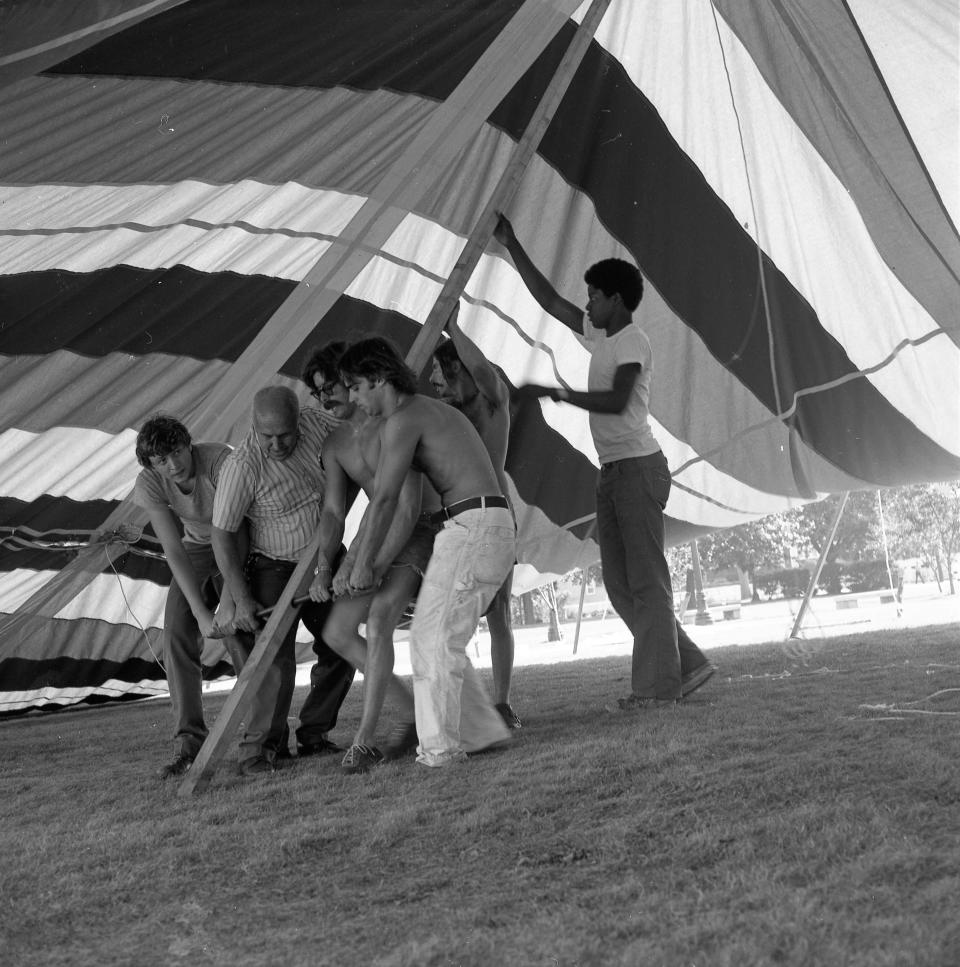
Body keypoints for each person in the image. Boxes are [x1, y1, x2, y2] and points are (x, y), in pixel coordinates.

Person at [494, 212, 716, 706]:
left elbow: (617, 400)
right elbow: (550, 300)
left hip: (638, 468)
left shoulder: (632, 340)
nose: (588, 304)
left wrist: (555, 392)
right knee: (619, 585)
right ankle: (689, 663)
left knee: (646, 582)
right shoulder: (601, 334)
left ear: (616, 300)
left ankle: (658, 690)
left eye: (594, 296)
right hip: (614, 472)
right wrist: (511, 245)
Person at [338, 337, 514, 768]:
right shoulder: (426, 413)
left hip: (475, 526)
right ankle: (480, 731)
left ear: (379, 378)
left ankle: (440, 751)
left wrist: (363, 565)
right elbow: (400, 504)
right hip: (479, 524)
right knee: (434, 636)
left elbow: (384, 500)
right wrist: (368, 565)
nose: (355, 399)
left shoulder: (406, 418)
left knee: (435, 639)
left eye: (357, 387)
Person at [301, 341, 435, 774]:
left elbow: (407, 506)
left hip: (420, 530)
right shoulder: (334, 443)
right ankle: (415, 714)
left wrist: (368, 565)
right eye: (318, 394)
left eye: (332, 388)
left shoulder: (393, 421)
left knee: (378, 620)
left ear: (351, 380)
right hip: (377, 535)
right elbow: (334, 512)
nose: (326, 399)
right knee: (338, 631)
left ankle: (365, 741)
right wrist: (327, 567)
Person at [211, 386, 355, 775]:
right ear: (254, 427)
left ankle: (314, 735)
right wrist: (239, 599)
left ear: (298, 422)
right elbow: (222, 535)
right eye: (266, 436)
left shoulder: (317, 423)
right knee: (274, 662)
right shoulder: (242, 466)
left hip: (325, 558)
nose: (276, 444)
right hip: (273, 567)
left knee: (345, 642)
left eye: (285, 435)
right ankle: (260, 751)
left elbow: (355, 428)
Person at [132, 416, 247, 779]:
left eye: (178, 452)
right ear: (150, 464)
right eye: (161, 459)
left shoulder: (221, 461)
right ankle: (190, 745)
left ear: (189, 444)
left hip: (243, 542)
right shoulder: (150, 483)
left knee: (241, 633)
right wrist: (199, 612)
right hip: (197, 549)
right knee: (177, 633)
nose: (173, 464)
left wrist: (231, 598)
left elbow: (239, 532)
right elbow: (173, 548)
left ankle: (263, 739)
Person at [431, 306, 521, 729]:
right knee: (450, 617)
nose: (441, 386)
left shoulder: (492, 403)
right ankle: (461, 708)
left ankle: (501, 703)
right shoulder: (445, 417)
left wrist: (453, 327)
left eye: (448, 377)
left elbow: (482, 370)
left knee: (499, 612)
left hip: (496, 517)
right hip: (454, 522)